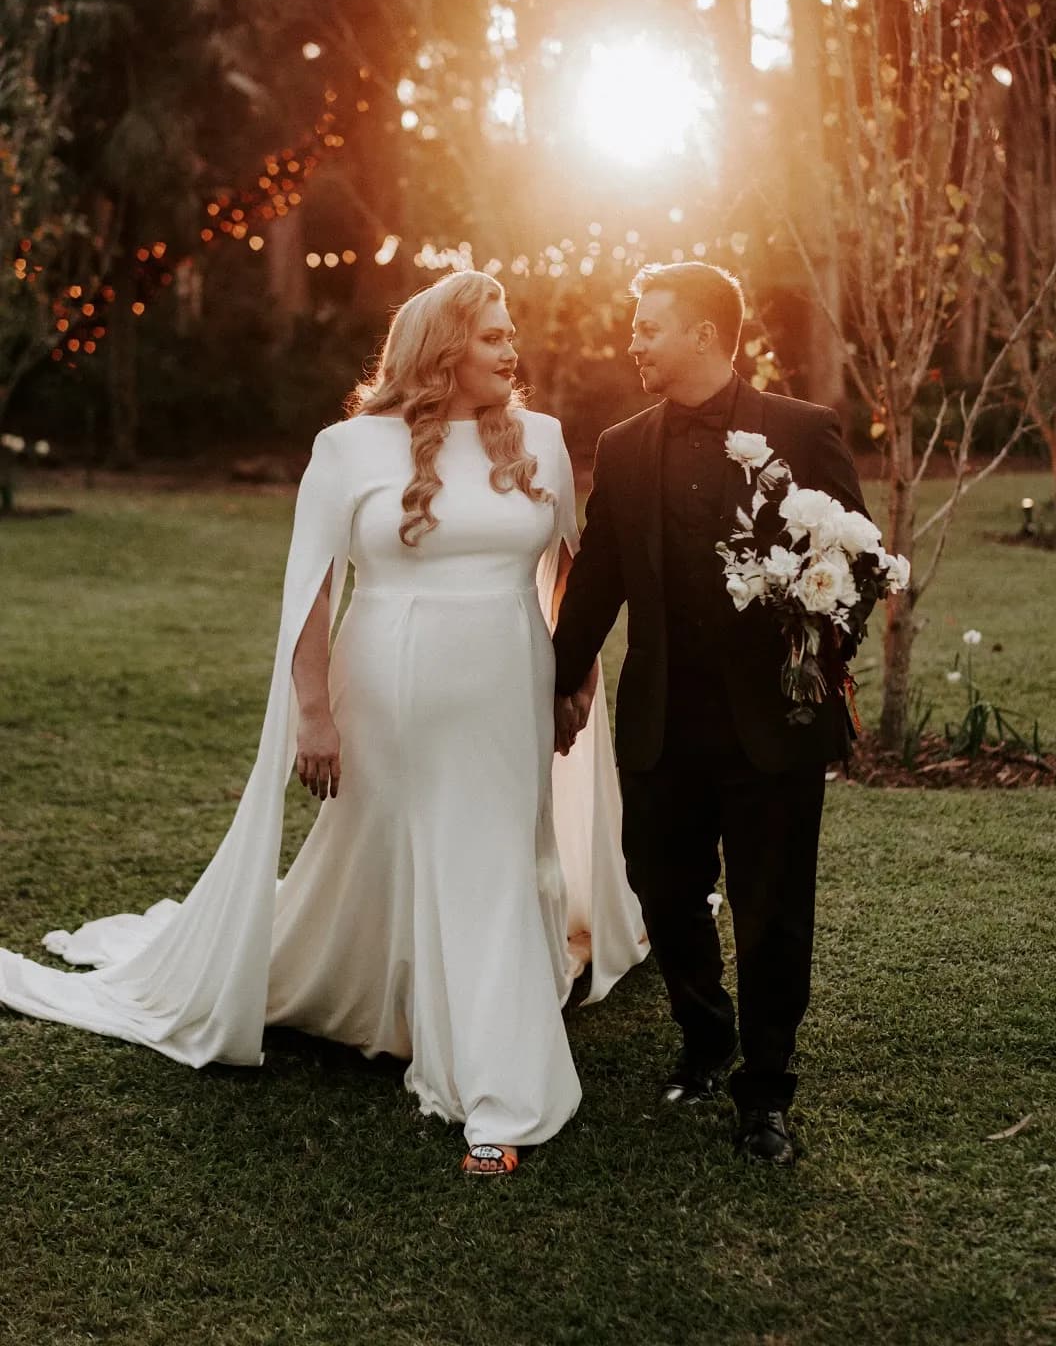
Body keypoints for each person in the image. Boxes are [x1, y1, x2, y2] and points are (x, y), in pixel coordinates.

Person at [0, 270, 646, 1177]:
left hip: (508, 681)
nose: (513, 351)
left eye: (509, 334)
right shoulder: (347, 449)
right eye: (494, 336)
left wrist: (573, 676)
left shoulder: (537, 435)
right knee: (385, 846)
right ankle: (382, 998)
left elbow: (567, 570)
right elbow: (312, 592)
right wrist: (312, 711)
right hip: (386, 684)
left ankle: (498, 1087)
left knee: (493, 858)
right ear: (443, 350)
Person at [553, 262, 870, 1167]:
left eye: (648, 325)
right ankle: (704, 1035)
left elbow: (858, 563)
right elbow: (600, 580)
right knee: (659, 885)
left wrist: (817, 647)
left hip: (773, 724)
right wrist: (555, 681)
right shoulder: (621, 445)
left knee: (775, 913)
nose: (633, 340)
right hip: (663, 718)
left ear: (702, 333)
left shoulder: (803, 431)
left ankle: (765, 1092)